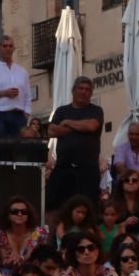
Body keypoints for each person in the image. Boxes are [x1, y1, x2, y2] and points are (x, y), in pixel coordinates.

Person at [46, 77, 104, 209]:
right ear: (73, 91)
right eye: (81, 88)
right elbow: (51, 131)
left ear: (91, 93)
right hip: (63, 167)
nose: (84, 92)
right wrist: (80, 126)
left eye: (87, 89)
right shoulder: (61, 111)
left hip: (87, 169)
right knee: (54, 206)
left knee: (87, 207)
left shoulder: (96, 110)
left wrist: (67, 123)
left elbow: (91, 126)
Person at [0, 197, 42, 276]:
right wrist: (15, 261)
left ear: (28, 215)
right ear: (8, 215)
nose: (20, 214)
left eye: (24, 212)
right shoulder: (0, 234)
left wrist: (20, 259)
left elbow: (36, 258)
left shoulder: (38, 233)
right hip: (7, 274)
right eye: (15, 212)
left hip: (31, 275)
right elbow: (5, 261)